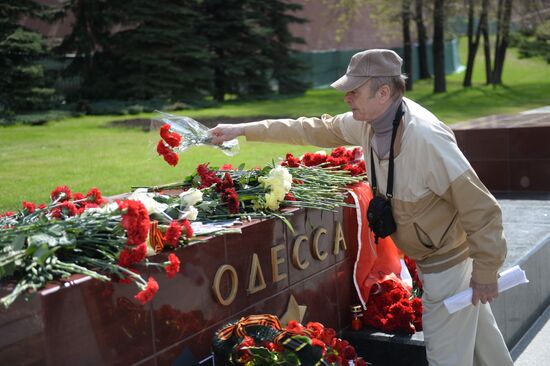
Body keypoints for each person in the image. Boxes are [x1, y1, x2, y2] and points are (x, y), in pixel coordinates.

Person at [210, 49, 514, 366]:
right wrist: (242, 130)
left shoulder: (426, 138)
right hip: (436, 261)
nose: (347, 97)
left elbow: (482, 209)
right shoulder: (369, 123)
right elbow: (310, 128)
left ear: (383, 93)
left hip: (447, 267)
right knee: (487, 349)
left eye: (354, 91)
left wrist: (486, 272)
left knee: (445, 358)